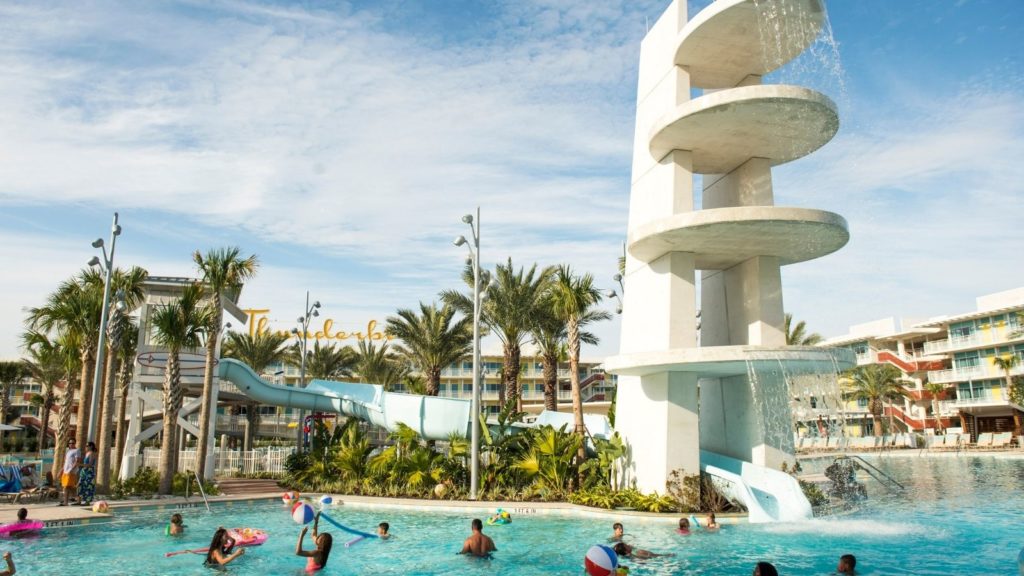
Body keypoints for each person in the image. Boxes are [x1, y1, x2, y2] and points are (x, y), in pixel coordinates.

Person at [59, 438, 80, 506]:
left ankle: (66, 502)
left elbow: (77, 461)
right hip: (65, 471)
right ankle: (77, 499)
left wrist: (71, 469)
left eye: (73, 443)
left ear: (75, 443)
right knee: (69, 487)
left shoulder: (77, 451)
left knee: (67, 487)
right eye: (70, 443)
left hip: (71, 472)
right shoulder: (68, 451)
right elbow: (66, 462)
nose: (71, 444)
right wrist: (61, 470)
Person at [77, 442, 97, 506]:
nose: (86, 447)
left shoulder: (92, 454)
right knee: (80, 485)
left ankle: (87, 502)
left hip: (89, 472)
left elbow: (90, 464)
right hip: (84, 472)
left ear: (91, 446)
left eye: (87, 446)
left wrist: (80, 464)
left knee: (88, 486)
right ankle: (79, 501)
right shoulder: (86, 454)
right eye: (86, 446)